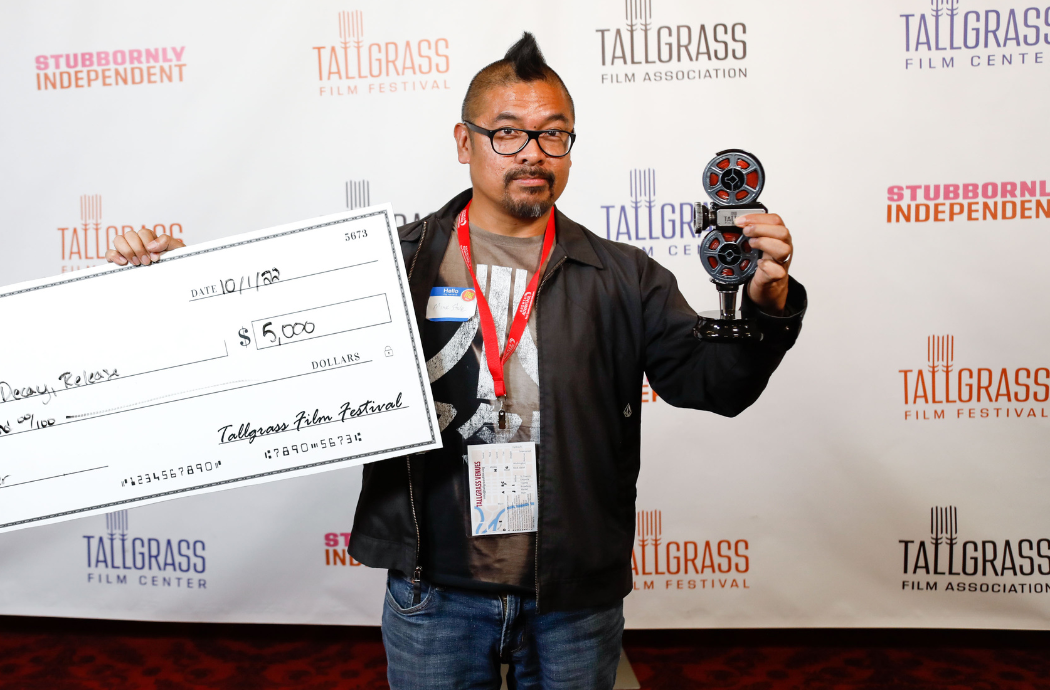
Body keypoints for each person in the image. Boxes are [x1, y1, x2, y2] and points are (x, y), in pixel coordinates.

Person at [109, 32, 804, 690]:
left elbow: (713, 386)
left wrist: (766, 307)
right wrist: (177, 292)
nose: (532, 152)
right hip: (433, 592)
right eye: (507, 131)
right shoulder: (390, 264)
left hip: (572, 598)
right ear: (464, 142)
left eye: (553, 133)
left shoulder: (623, 275)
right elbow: (276, 350)